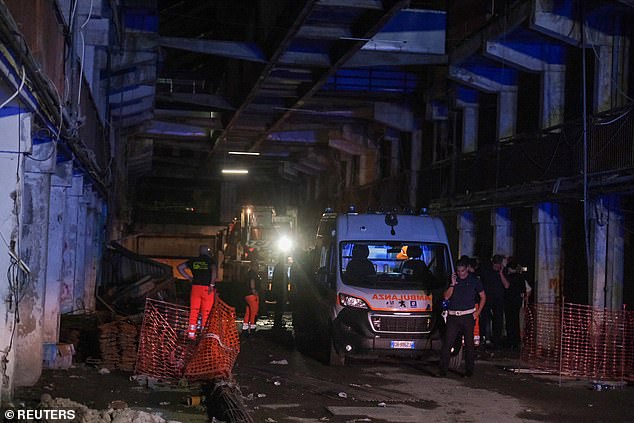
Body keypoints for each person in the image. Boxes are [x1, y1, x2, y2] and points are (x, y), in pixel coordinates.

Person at [439, 257, 486, 377]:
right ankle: (442, 371)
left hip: (467, 316)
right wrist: (452, 285)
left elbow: (483, 296)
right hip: (453, 316)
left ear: (467, 270)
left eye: (463, 271)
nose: (461, 273)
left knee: (469, 344)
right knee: (448, 343)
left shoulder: (474, 281)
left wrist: (478, 312)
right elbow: (446, 297)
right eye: (458, 271)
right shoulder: (452, 280)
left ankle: (469, 371)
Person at [177, 244, 217, 340]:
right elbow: (214, 271)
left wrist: (189, 278)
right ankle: (204, 335)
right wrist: (212, 284)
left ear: (199, 252)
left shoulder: (193, 261)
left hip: (195, 288)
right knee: (206, 312)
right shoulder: (210, 261)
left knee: (194, 311)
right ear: (208, 252)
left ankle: (191, 334)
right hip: (207, 289)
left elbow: (180, 267)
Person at [479, 254, 509, 348]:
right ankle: (485, 338)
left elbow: (507, 285)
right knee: (485, 319)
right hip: (488, 298)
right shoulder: (486, 270)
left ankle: (497, 340)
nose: (497, 267)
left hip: (498, 299)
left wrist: (501, 273)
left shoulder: (503, 271)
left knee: (498, 320)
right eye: (496, 265)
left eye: (498, 265)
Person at [503, 260, 527, 350]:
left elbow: (506, 287)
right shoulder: (520, 277)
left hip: (509, 302)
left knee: (509, 323)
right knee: (516, 322)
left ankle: (510, 341)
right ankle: (516, 341)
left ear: (509, 268)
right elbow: (523, 291)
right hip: (517, 302)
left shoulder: (509, 277)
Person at [272, 253, 293, 330]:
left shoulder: (278, 266)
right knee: (280, 307)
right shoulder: (282, 267)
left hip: (279, 290)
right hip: (281, 290)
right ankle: (277, 323)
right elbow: (285, 279)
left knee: (279, 307)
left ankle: (277, 323)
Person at [242, 259, 260, 335]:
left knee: (248, 312)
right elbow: (252, 281)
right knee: (254, 313)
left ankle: (245, 328)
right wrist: (253, 290)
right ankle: (252, 329)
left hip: (246, 295)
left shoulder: (247, 273)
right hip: (252, 296)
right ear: (254, 266)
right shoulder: (253, 273)